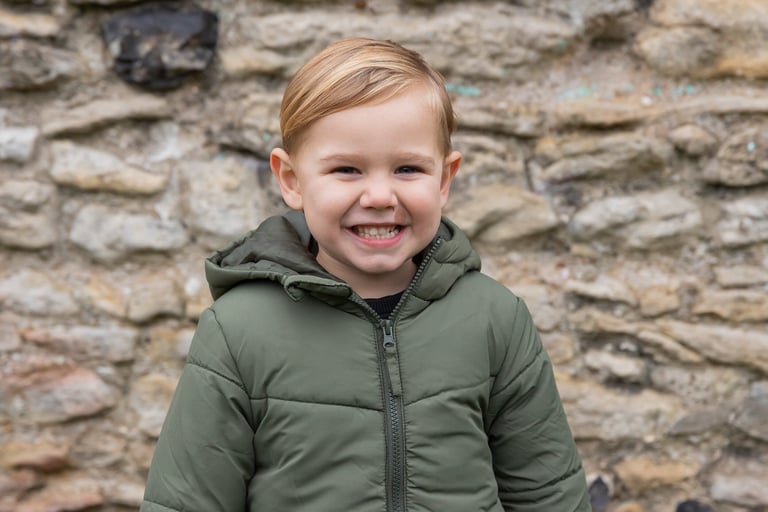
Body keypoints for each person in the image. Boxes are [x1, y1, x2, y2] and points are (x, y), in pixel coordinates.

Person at [140, 37, 590, 512]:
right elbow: (185, 501)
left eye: (407, 169)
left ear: (444, 180)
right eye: (348, 169)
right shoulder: (237, 331)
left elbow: (549, 493)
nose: (379, 195)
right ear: (291, 180)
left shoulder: (495, 319)